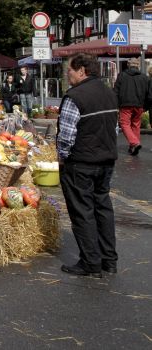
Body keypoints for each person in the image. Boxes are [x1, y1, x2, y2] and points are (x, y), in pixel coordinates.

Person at [57, 53, 119, 277]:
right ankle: (109, 260)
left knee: (83, 212)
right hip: (106, 160)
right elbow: (114, 128)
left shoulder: (75, 96)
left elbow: (66, 135)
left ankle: (91, 262)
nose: (68, 75)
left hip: (81, 162)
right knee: (103, 208)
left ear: (82, 70)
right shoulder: (109, 92)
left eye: (70, 70)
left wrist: (62, 157)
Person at [113, 57, 148, 156]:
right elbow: (148, 93)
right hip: (139, 105)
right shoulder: (144, 77)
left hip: (125, 105)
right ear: (138, 65)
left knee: (124, 124)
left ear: (128, 65)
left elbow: (116, 91)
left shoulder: (122, 75)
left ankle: (135, 143)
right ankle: (133, 146)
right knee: (136, 125)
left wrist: (115, 104)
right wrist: (145, 106)